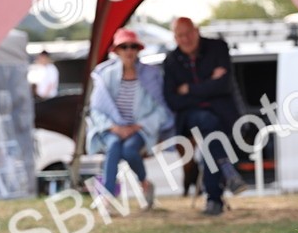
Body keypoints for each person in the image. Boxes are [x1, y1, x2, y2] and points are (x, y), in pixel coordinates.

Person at [163, 16, 247, 216]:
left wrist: (189, 89)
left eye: (188, 33)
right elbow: (173, 100)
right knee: (208, 122)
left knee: (211, 138)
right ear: (175, 37)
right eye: (180, 35)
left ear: (197, 31)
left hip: (224, 115)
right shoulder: (171, 60)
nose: (185, 39)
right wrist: (209, 87)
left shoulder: (217, 48)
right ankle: (225, 173)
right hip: (191, 118)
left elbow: (224, 85)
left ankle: (214, 201)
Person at [87, 28, 172, 210]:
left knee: (129, 150)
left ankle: (143, 183)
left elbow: (161, 109)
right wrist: (113, 127)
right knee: (114, 145)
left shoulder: (151, 75)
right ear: (116, 51)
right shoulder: (105, 75)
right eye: (124, 47)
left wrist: (138, 126)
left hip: (140, 129)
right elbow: (96, 110)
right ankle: (107, 196)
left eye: (133, 46)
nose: (129, 51)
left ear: (138, 49)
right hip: (112, 129)